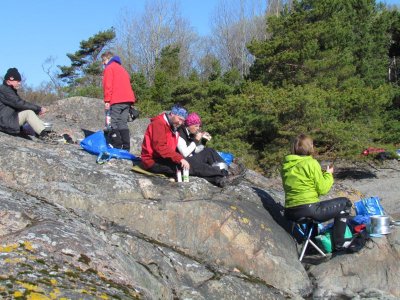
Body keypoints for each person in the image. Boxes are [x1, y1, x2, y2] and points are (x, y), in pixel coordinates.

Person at [281, 133, 352, 252]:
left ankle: (313, 243)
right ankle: (340, 243)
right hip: (308, 209)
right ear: (310, 147)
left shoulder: (286, 165)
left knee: (312, 208)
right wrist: (328, 174)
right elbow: (323, 189)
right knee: (345, 203)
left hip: (291, 212)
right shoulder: (311, 163)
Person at [177, 112, 243, 187]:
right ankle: (222, 177)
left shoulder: (190, 133)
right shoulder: (180, 134)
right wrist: (196, 140)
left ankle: (225, 170)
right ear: (189, 125)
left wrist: (203, 141)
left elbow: (195, 150)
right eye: (196, 126)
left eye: (199, 126)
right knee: (202, 167)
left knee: (209, 151)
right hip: (183, 162)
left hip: (190, 157)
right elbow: (185, 153)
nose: (198, 128)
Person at [0, 68, 51, 140]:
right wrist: (38, 109)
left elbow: (19, 105)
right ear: (9, 81)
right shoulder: (4, 90)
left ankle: (47, 132)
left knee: (28, 114)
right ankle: (44, 135)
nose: (19, 83)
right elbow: (19, 103)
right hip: (5, 122)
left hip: (8, 120)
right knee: (28, 113)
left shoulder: (9, 90)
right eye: (17, 81)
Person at [141, 104, 190, 176]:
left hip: (162, 158)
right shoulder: (159, 123)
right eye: (179, 119)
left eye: (183, 121)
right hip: (151, 161)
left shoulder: (172, 125)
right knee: (179, 170)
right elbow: (160, 147)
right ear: (172, 114)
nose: (180, 123)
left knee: (186, 167)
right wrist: (179, 158)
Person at [101, 51, 136, 151]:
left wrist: (107, 100)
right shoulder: (122, 69)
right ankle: (126, 147)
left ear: (108, 59)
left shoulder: (109, 68)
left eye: (104, 60)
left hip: (117, 100)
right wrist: (131, 102)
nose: (103, 63)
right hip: (128, 100)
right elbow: (128, 85)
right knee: (123, 123)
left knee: (113, 123)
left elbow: (108, 85)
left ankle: (116, 146)